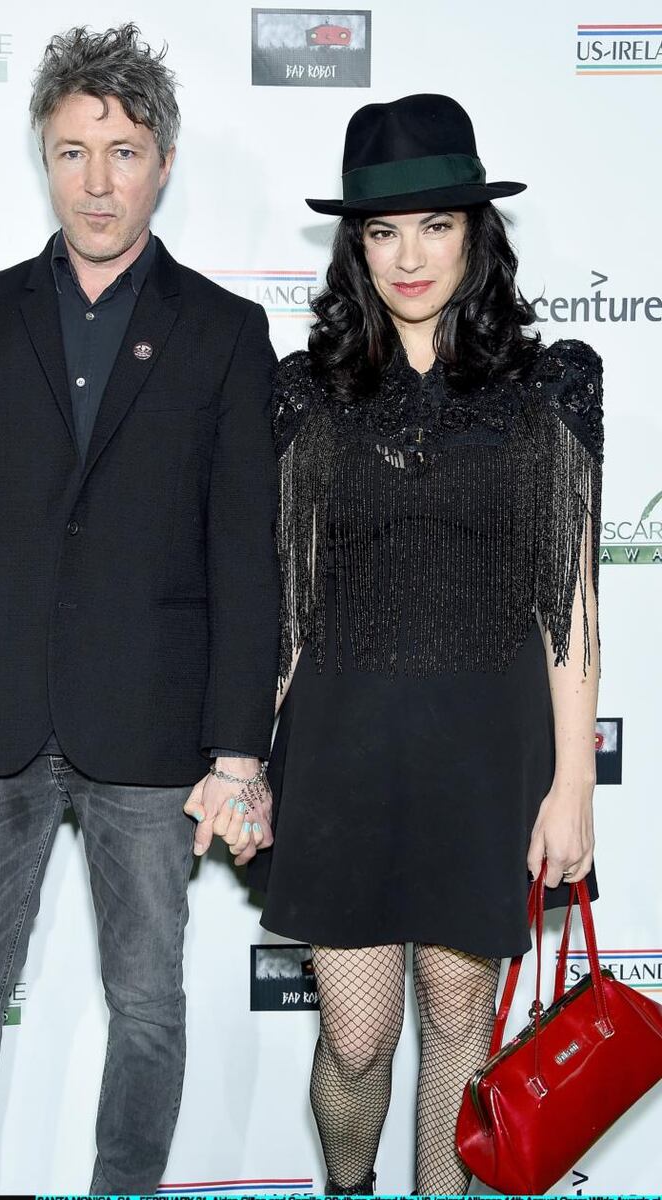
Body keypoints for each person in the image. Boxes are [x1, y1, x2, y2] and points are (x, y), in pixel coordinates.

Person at [0, 24, 279, 1195]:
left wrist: (239, 751)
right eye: (71, 152)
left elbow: (243, 560)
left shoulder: (224, 333)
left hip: (152, 737)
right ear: (41, 158)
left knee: (148, 1003)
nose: (97, 181)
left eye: (123, 151)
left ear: (162, 162)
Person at [247, 94, 603, 1195]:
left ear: (474, 233)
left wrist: (574, 783)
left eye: (434, 225)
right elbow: (285, 608)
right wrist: (246, 762)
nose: (408, 255)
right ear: (354, 248)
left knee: (459, 1017)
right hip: (342, 754)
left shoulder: (552, 386)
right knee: (355, 1039)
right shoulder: (303, 392)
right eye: (380, 231)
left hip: (485, 755)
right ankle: (349, 1191)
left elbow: (571, 601)